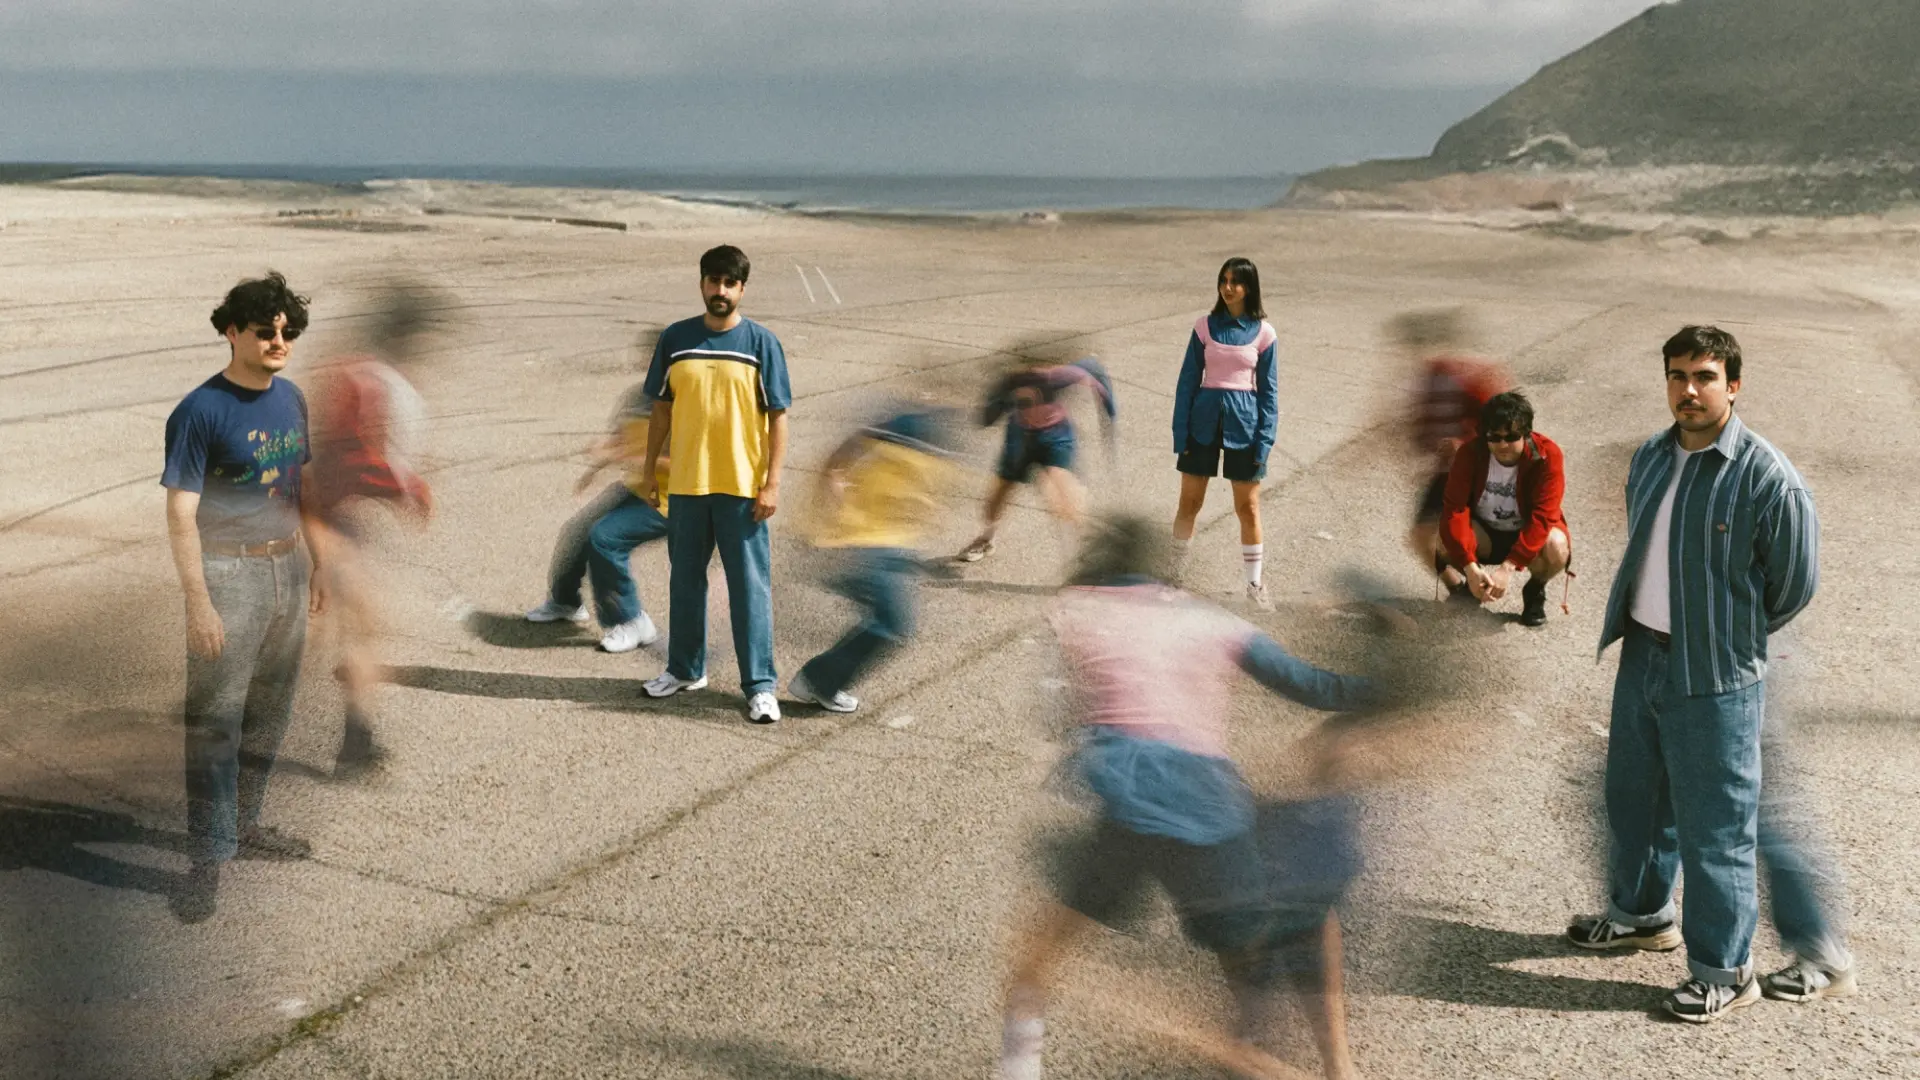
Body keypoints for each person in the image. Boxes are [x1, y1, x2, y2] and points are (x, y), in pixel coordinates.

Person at [1000, 516, 1378, 1080]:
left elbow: (1058, 713)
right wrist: (1389, 692)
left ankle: (1017, 1063)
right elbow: (1311, 686)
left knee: (1045, 948)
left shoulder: (1074, 609)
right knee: (1276, 930)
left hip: (1124, 804)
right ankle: (1299, 1056)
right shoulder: (1209, 618)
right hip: (1208, 810)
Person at [1570, 325, 1825, 1022]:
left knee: (1717, 828)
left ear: (1733, 386)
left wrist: (1726, 636)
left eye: (1705, 376)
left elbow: (1794, 584)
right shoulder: (1652, 456)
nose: (1689, 389)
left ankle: (1724, 972)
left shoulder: (1766, 476)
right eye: (1678, 375)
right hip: (1643, 653)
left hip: (1715, 673)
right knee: (1636, 799)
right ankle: (1642, 915)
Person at [161, 272, 320, 922]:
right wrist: (198, 602)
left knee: (270, 712)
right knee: (215, 725)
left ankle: (246, 826)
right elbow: (180, 513)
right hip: (228, 574)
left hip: (289, 568)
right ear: (233, 332)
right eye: (265, 331)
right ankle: (206, 862)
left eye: (288, 331)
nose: (280, 342)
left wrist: (320, 565)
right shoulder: (200, 411)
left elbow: (299, 489)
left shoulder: (293, 400)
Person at [636, 245, 792, 723]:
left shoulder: (762, 344)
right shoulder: (676, 339)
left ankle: (760, 686)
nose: (720, 290)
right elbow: (661, 410)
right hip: (686, 484)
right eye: (713, 281)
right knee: (685, 582)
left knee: (749, 589)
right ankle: (685, 669)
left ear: (742, 289)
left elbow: (778, 417)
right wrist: (649, 470)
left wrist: (772, 484)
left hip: (742, 488)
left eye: (729, 283)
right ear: (702, 282)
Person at [305, 283, 436, 779]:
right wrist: (405, 487)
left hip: (319, 513)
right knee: (351, 628)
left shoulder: (352, 373)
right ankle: (354, 745)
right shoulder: (367, 382)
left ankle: (355, 742)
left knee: (337, 626)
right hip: (321, 518)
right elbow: (347, 458)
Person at [787, 407, 961, 713]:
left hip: (879, 545)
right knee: (893, 624)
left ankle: (820, 679)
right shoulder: (904, 435)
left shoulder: (898, 438)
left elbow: (837, 465)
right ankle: (817, 680)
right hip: (868, 546)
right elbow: (836, 466)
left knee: (890, 622)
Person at [524, 381, 672, 654]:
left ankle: (632, 621)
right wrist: (595, 467)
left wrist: (626, 456)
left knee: (605, 538)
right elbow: (621, 438)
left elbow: (689, 464)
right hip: (639, 488)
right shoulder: (640, 395)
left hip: (673, 501)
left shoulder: (687, 403)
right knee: (577, 532)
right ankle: (566, 602)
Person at [1171, 257, 1281, 610]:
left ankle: (1255, 585)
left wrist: (1264, 441)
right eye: (1223, 280)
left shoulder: (1265, 334)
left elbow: (1269, 393)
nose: (1228, 287)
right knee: (1189, 504)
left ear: (1249, 288)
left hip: (1245, 428)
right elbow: (1187, 382)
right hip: (1201, 425)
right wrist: (1180, 433)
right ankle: (1173, 580)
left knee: (1247, 507)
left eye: (1236, 282)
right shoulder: (1204, 327)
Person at [1391, 309, 1509, 593]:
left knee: (1458, 533)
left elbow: (1501, 425)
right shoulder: (1428, 378)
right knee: (1420, 536)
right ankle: (1457, 586)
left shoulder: (1471, 376)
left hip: (1479, 471)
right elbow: (1422, 432)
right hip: (1447, 473)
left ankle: (1479, 576)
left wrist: (1464, 444)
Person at [957, 353, 1115, 564]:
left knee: (1060, 490)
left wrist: (1109, 415)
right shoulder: (1012, 381)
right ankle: (987, 538)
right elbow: (987, 414)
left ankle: (1091, 550)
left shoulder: (1061, 375)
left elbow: (1094, 371)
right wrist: (995, 406)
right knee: (999, 493)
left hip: (1055, 436)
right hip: (1020, 438)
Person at [1435, 391, 1571, 626]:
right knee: (1441, 540)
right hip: (1485, 532)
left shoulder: (1547, 455)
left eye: (1511, 437)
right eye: (1494, 437)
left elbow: (1543, 517)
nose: (1502, 445)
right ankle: (1475, 583)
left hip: (1525, 532)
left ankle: (1535, 588)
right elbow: (1454, 509)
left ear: (1526, 434)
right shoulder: (1470, 453)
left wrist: (1508, 567)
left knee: (1557, 546)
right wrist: (1469, 566)